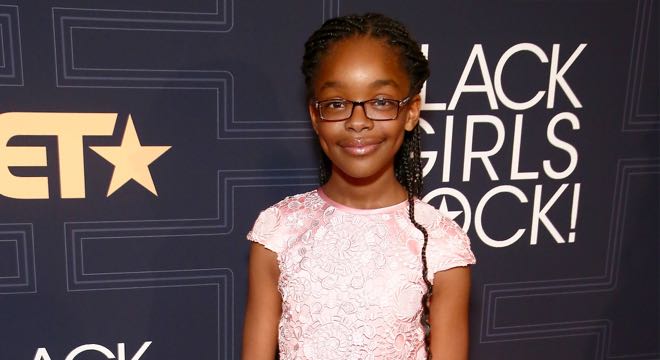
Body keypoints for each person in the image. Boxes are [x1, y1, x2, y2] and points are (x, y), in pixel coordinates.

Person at [242, 13, 476, 360]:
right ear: (315, 115)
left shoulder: (440, 244)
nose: (358, 122)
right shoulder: (278, 231)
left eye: (381, 102)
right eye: (337, 104)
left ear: (411, 111)